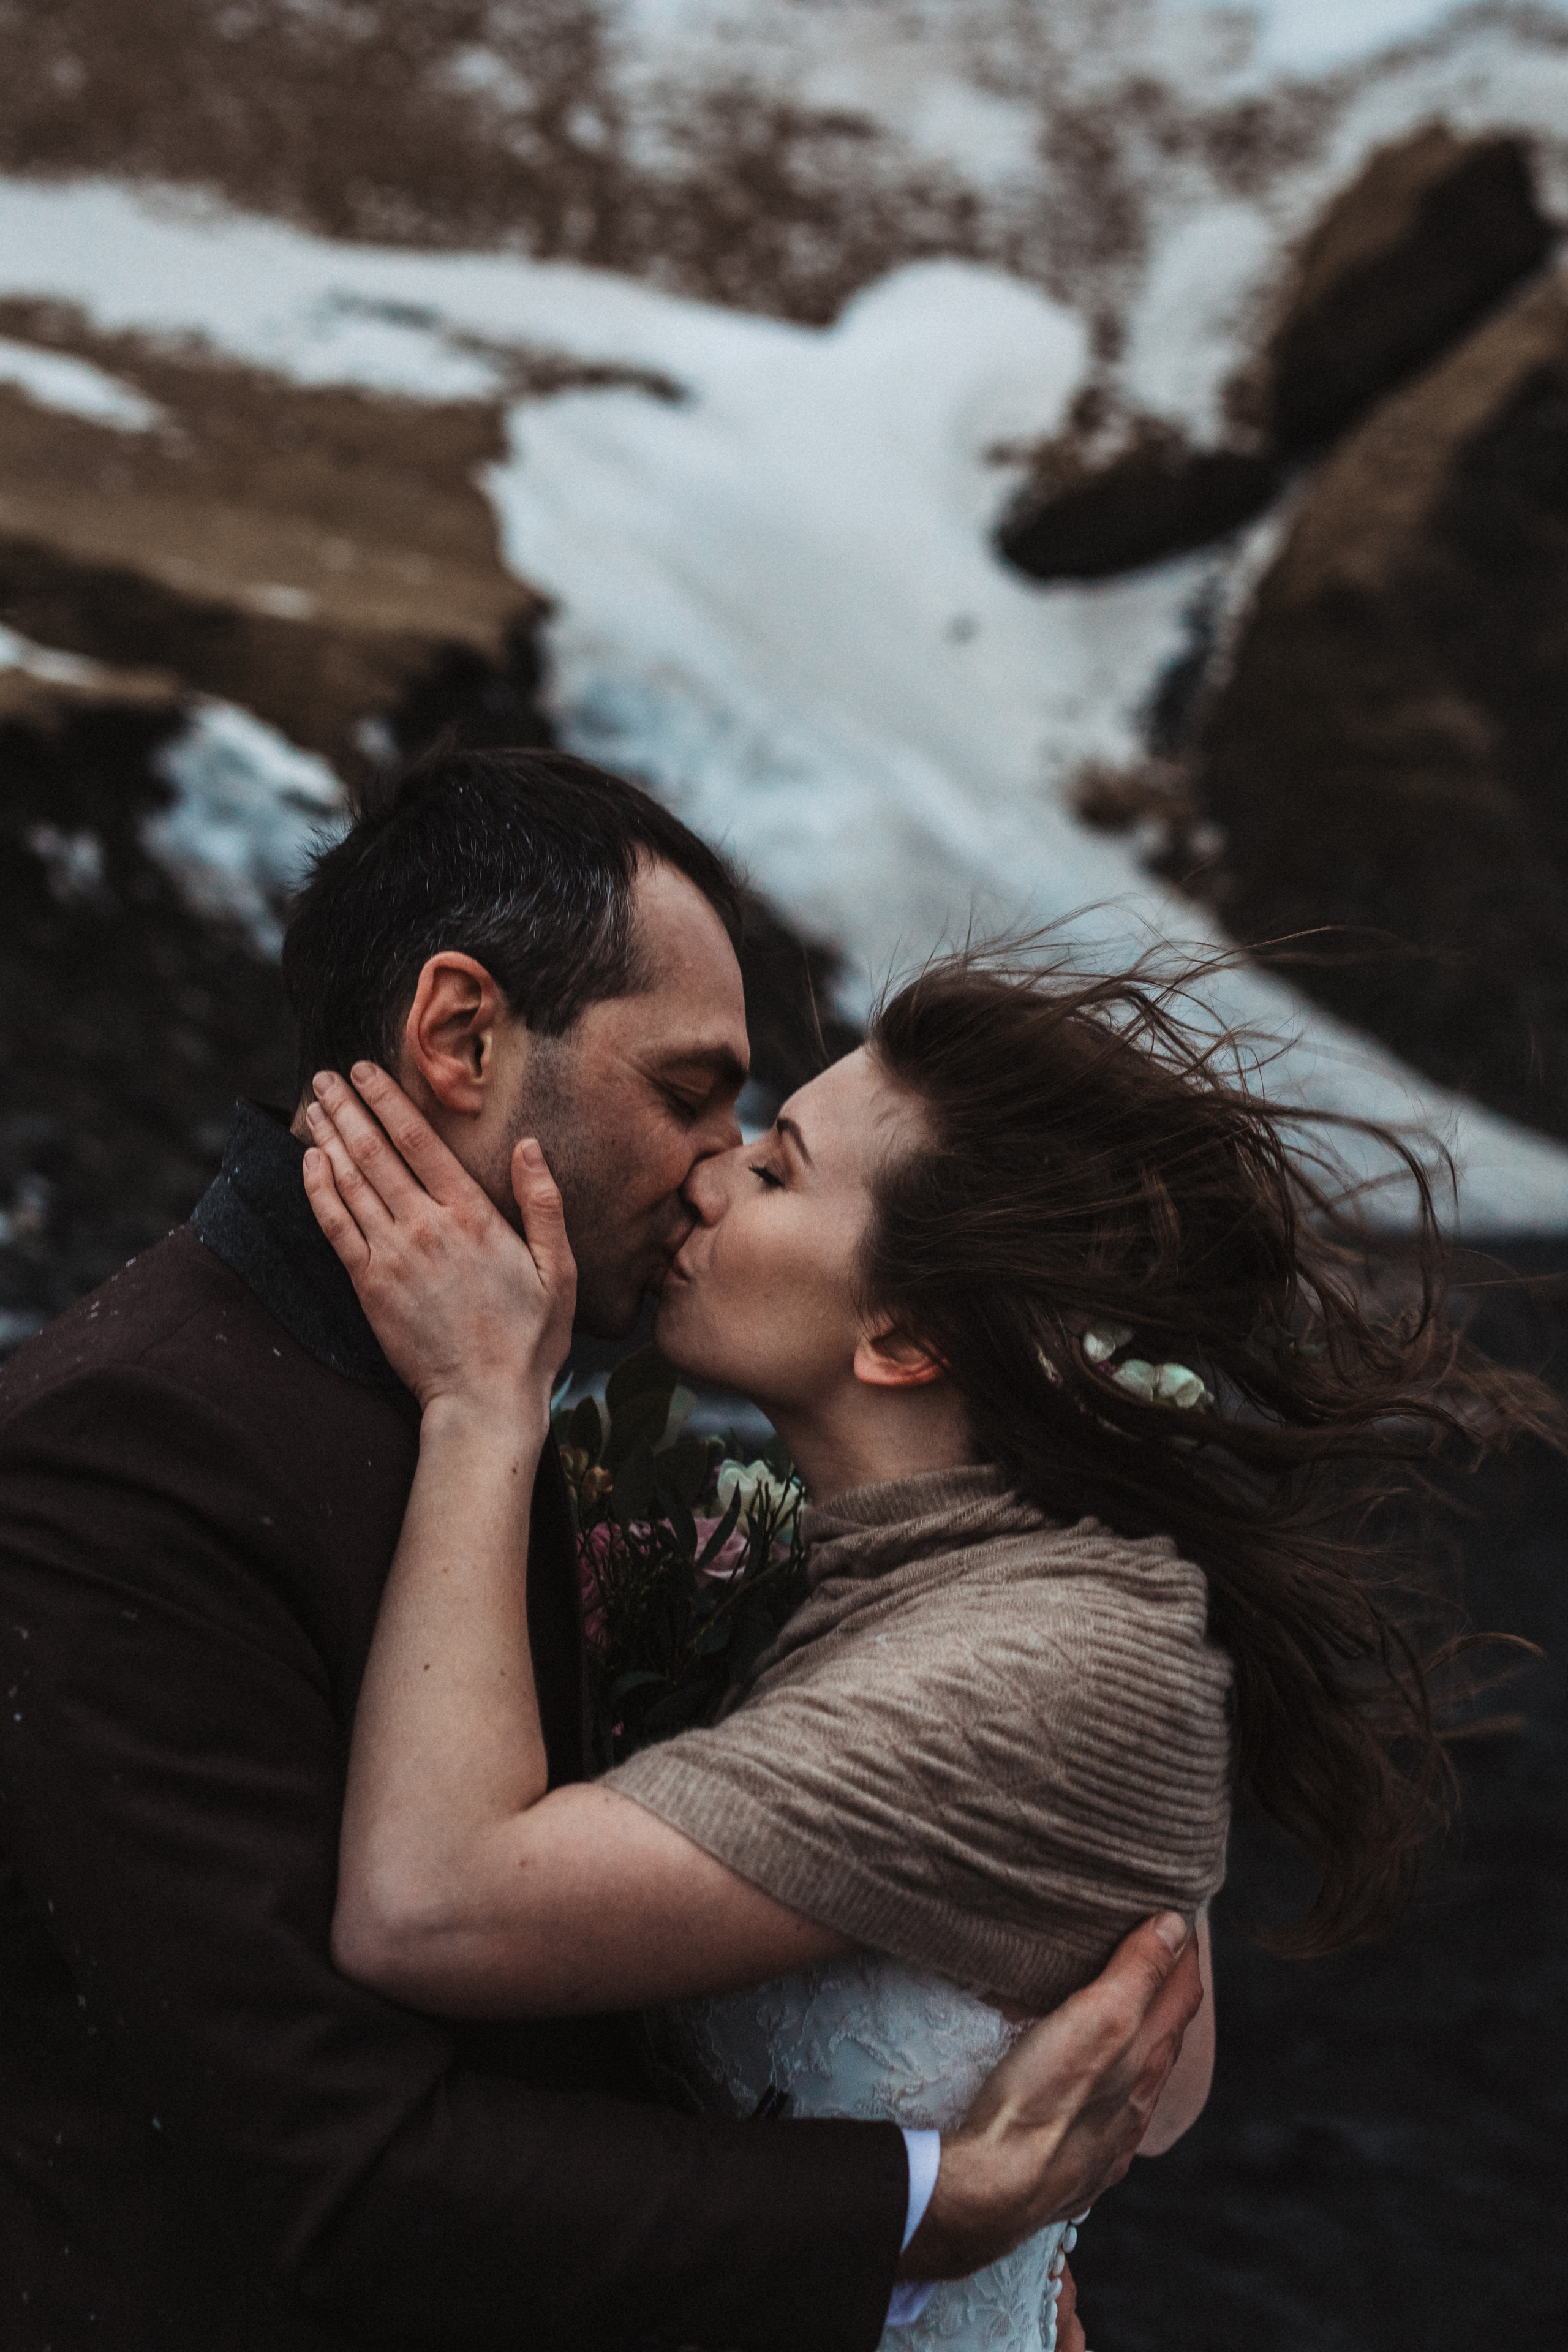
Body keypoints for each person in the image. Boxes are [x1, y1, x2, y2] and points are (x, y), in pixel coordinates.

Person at [0, 747, 1200, 2352]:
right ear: (460, 1036)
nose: (717, 1167)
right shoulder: (125, 1451)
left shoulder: (486, 1387)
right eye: (690, 1093)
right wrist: (937, 2205)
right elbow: (342, 2168)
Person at [300, 925, 1566, 2348]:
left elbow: (429, 1907)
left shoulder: (1053, 1664)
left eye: (776, 1170)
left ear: (902, 1338)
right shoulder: (962, 1594)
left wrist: (482, 1403)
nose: (709, 1176)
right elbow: (1162, 2088)